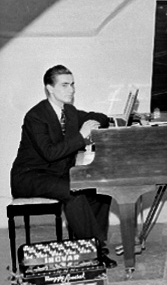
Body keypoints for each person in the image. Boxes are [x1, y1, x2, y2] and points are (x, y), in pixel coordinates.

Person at [10, 65, 117, 268]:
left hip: (56, 175)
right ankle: (95, 252)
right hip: (30, 176)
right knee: (73, 192)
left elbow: (98, 117)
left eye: (73, 84)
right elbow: (49, 153)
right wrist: (81, 135)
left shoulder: (69, 111)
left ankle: (89, 244)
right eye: (65, 85)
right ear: (50, 88)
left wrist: (98, 121)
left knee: (101, 190)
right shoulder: (35, 116)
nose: (71, 90)